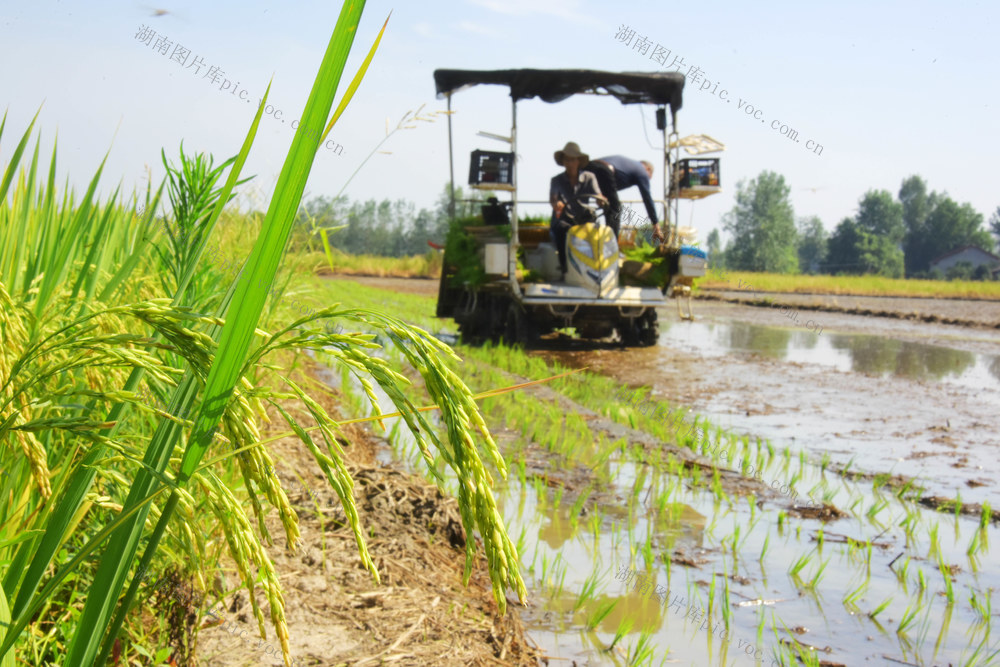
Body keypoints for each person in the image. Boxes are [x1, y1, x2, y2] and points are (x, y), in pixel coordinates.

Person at [550, 142, 605, 276]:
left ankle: (597, 270)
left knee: (597, 232)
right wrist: (557, 203)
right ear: (563, 162)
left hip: (584, 218)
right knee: (560, 229)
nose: (570, 163)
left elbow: (598, 195)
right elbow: (553, 198)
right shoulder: (556, 180)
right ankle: (565, 270)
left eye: (573, 160)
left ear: (578, 161)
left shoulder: (589, 177)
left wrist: (601, 200)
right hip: (564, 218)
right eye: (567, 160)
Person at [586, 155, 658, 240]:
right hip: (605, 170)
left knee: (582, 204)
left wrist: (600, 194)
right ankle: (611, 243)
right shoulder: (642, 171)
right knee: (615, 209)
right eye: (648, 178)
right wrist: (655, 224)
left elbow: (606, 186)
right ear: (648, 169)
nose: (646, 182)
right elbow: (647, 198)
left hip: (588, 167)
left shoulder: (629, 165)